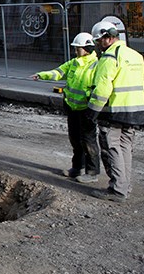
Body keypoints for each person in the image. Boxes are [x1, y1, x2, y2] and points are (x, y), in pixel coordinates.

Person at [87, 20, 144, 203]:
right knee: (125, 147)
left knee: (112, 147)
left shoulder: (109, 57)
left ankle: (118, 190)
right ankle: (124, 185)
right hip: (136, 109)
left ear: (106, 39)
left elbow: (103, 88)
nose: (98, 45)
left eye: (98, 41)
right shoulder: (135, 55)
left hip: (115, 109)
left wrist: (92, 111)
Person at [32, 32, 100, 182]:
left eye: (78, 48)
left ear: (87, 47)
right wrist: (42, 75)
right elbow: (58, 72)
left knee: (88, 140)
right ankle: (77, 168)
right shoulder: (73, 63)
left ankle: (92, 172)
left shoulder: (96, 65)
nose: (76, 51)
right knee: (75, 139)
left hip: (87, 109)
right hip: (72, 107)